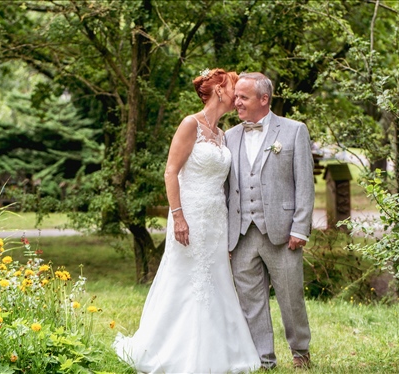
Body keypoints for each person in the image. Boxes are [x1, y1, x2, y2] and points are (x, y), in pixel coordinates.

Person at [113, 68, 260, 373]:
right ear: (220, 90)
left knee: (216, 279)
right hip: (189, 214)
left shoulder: (222, 134)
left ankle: (221, 353)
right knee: (186, 278)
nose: (238, 93)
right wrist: (178, 216)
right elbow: (170, 172)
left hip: (216, 217)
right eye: (234, 87)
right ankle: (169, 349)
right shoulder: (189, 124)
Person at [225, 72, 315, 370]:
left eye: (243, 97)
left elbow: (305, 183)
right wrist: (225, 235)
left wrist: (300, 228)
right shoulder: (230, 136)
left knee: (291, 298)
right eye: (236, 96)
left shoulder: (294, 131)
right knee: (251, 302)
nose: (236, 101)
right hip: (241, 234)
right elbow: (227, 189)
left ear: (264, 99)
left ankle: (300, 351)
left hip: (282, 231)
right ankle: (263, 358)